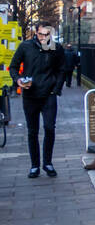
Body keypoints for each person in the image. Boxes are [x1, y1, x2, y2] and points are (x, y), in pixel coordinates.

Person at [9, 22, 65, 178]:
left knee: (49, 128)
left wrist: (57, 88)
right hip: (30, 95)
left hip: (49, 94)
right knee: (32, 131)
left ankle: (47, 162)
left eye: (47, 35)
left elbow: (62, 69)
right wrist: (18, 80)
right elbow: (13, 66)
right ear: (36, 33)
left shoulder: (56, 48)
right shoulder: (25, 46)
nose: (43, 38)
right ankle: (34, 165)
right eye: (41, 34)